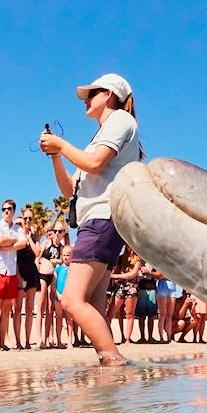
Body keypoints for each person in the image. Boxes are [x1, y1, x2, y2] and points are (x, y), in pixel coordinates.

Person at [38, 72, 140, 366]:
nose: (85, 100)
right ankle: (110, 371)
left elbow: (94, 164)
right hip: (98, 222)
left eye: (91, 94)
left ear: (109, 95)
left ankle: (116, 362)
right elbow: (71, 188)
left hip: (101, 219)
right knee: (94, 304)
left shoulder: (120, 120)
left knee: (71, 300)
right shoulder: (100, 135)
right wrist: (56, 157)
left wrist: (62, 145)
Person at [0, 199, 24, 350]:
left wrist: (9, 245)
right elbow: (0, 241)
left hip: (11, 271)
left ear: (14, 210)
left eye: (9, 209)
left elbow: (24, 243)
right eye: (3, 209)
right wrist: (13, 242)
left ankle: (3, 341)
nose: (6, 211)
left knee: (7, 308)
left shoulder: (17, 228)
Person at [14, 207, 41, 348]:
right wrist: (17, 274)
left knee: (29, 308)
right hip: (19, 270)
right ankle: (18, 341)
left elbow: (37, 252)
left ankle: (27, 341)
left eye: (30, 218)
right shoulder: (17, 234)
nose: (27, 221)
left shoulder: (34, 236)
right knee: (18, 308)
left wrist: (30, 239)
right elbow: (14, 255)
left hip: (31, 271)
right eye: (25, 218)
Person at [37, 221, 66, 347]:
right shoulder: (47, 242)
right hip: (44, 274)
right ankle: (39, 338)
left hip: (53, 277)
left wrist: (56, 262)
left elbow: (63, 261)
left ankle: (48, 337)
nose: (57, 234)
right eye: (55, 231)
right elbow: (38, 257)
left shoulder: (61, 247)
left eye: (60, 231)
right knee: (40, 307)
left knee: (50, 309)